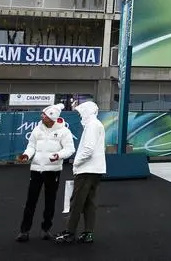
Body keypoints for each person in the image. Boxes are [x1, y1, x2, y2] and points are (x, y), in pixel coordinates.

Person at [15, 103, 75, 242]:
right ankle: (24, 231)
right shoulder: (37, 129)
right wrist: (26, 155)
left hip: (52, 171)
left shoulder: (64, 132)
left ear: (52, 117)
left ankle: (45, 229)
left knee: (50, 201)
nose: (42, 116)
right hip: (36, 170)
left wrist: (58, 155)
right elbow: (31, 146)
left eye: (45, 115)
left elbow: (69, 149)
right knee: (31, 201)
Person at [55, 101, 105, 244]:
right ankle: (88, 233)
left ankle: (69, 232)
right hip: (96, 170)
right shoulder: (97, 125)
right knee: (89, 203)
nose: (79, 115)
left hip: (86, 170)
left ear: (87, 111)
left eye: (80, 112)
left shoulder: (91, 126)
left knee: (77, 202)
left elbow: (88, 149)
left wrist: (76, 163)